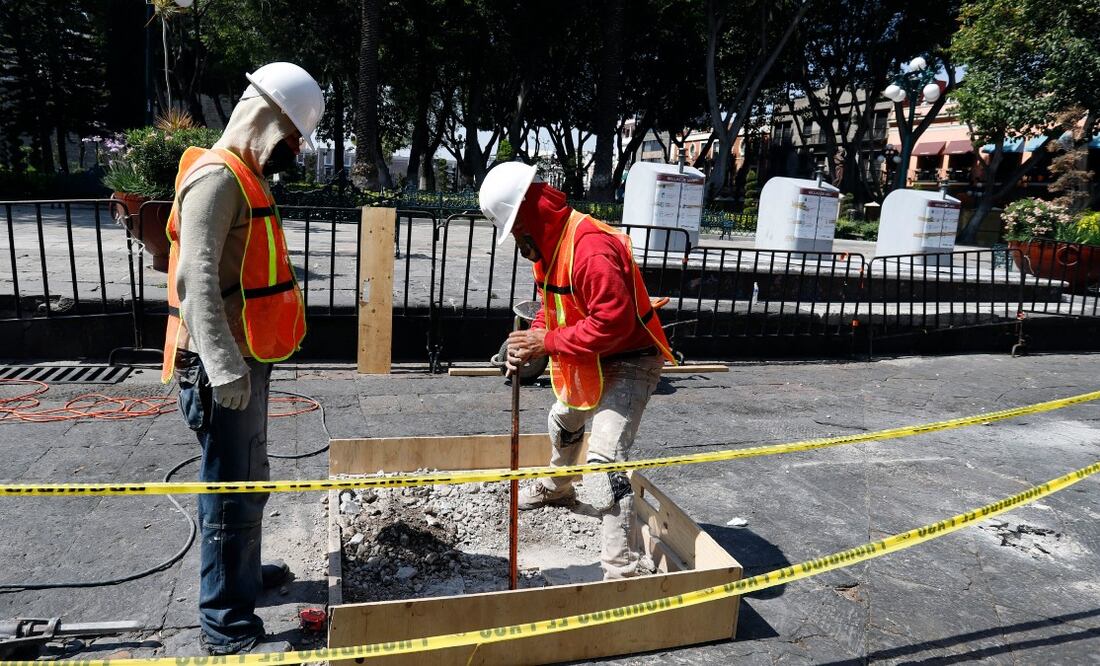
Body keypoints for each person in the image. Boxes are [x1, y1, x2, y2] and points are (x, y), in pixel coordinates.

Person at [160, 62, 323, 655]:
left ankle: (243, 577)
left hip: (243, 358)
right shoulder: (217, 179)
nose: (294, 151)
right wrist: (224, 365)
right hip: (219, 367)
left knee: (248, 477)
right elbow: (195, 279)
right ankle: (225, 622)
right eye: (293, 138)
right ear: (267, 118)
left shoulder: (244, 176)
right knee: (230, 490)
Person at [478, 162, 677, 580]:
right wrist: (529, 340)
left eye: (516, 230)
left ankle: (620, 570)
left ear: (530, 216)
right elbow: (550, 309)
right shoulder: (549, 249)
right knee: (563, 421)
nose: (518, 242)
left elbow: (613, 323)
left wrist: (546, 344)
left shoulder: (589, 248)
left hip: (631, 358)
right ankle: (559, 488)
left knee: (605, 463)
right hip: (592, 356)